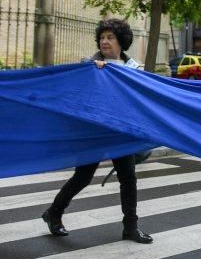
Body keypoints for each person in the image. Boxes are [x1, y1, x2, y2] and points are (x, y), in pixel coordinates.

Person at [41, 18, 153, 244]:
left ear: (121, 41)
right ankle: (54, 212)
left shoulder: (133, 68)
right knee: (83, 177)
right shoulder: (89, 65)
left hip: (120, 132)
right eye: (102, 37)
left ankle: (130, 227)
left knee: (128, 179)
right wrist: (96, 72)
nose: (104, 41)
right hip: (95, 131)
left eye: (110, 37)